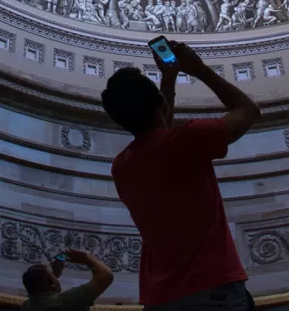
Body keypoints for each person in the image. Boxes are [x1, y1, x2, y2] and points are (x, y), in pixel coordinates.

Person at [101, 40, 260, 311]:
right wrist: (199, 69)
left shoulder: (122, 167)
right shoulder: (188, 140)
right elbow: (248, 110)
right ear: (159, 103)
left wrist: (168, 78)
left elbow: (161, 135)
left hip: (161, 298)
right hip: (214, 290)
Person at [21, 249, 115, 311]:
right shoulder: (65, 302)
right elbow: (106, 276)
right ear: (50, 281)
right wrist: (86, 258)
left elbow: (41, 290)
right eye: (51, 274)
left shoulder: (26, 306)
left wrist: (53, 276)